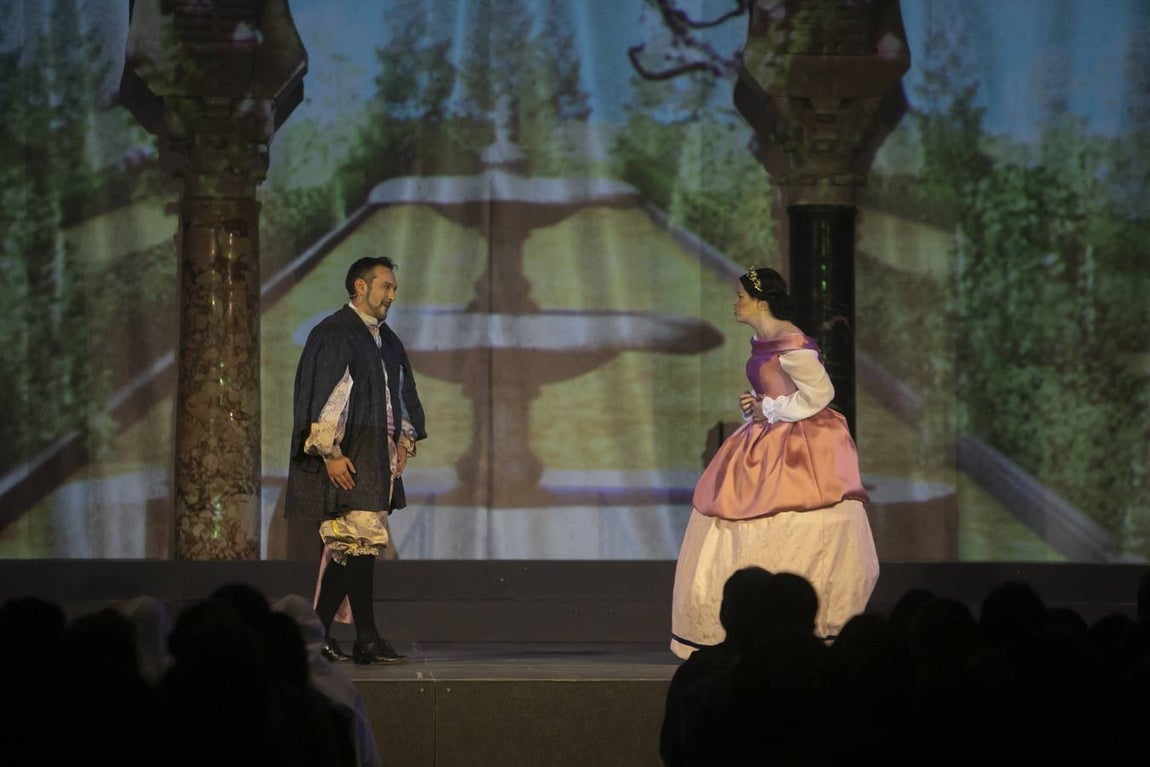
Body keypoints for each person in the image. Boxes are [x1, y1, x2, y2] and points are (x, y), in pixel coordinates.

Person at [670, 266, 878, 658]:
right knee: (732, 509)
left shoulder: (792, 344)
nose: (735, 302)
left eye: (741, 296)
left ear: (761, 301)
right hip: (767, 434)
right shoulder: (761, 341)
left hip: (802, 443)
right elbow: (773, 391)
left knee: (800, 518)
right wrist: (756, 404)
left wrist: (770, 407)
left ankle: (815, 620)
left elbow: (820, 393)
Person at [284, 256, 427, 665]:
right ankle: (366, 637)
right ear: (361, 287)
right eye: (386, 286)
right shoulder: (334, 333)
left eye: (394, 288)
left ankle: (316, 634)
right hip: (349, 455)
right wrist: (331, 454)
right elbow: (325, 397)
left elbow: (399, 394)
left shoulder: (387, 339)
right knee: (359, 543)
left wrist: (403, 440)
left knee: (352, 548)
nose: (392, 295)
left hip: (377, 455)